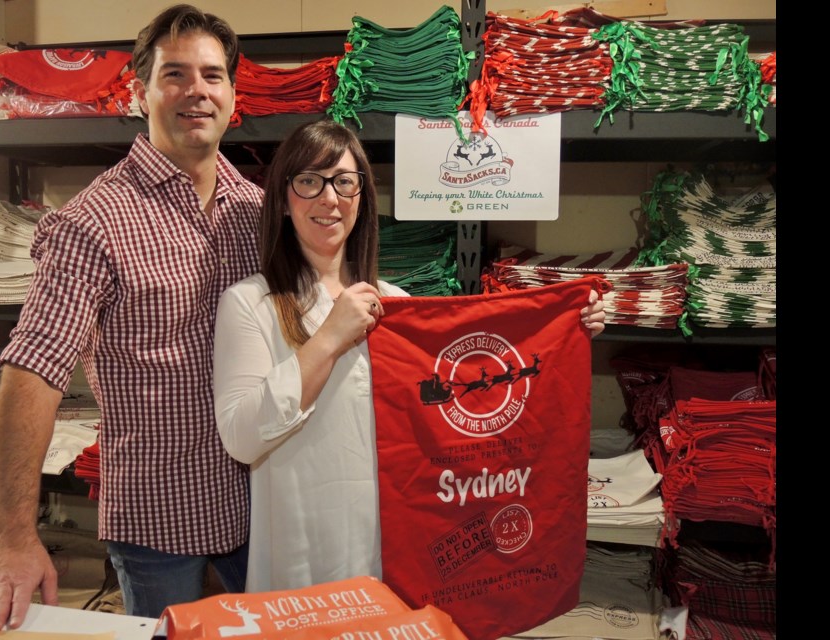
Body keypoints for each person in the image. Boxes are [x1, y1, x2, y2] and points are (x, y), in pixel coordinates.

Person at [0, 4, 263, 631]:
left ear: (232, 93)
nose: (196, 91)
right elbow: (35, 367)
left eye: (212, 75)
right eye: (174, 74)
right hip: (157, 514)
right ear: (138, 90)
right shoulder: (90, 223)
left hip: (261, 503)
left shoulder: (256, 210)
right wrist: (13, 537)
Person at [212, 119, 608, 593]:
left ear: (362, 197)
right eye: (308, 181)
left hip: (397, 548)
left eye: (344, 181)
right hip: (302, 550)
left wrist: (565, 329)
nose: (329, 198)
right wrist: (329, 338)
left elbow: (474, 382)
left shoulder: (395, 304)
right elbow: (241, 438)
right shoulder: (250, 303)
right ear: (282, 198)